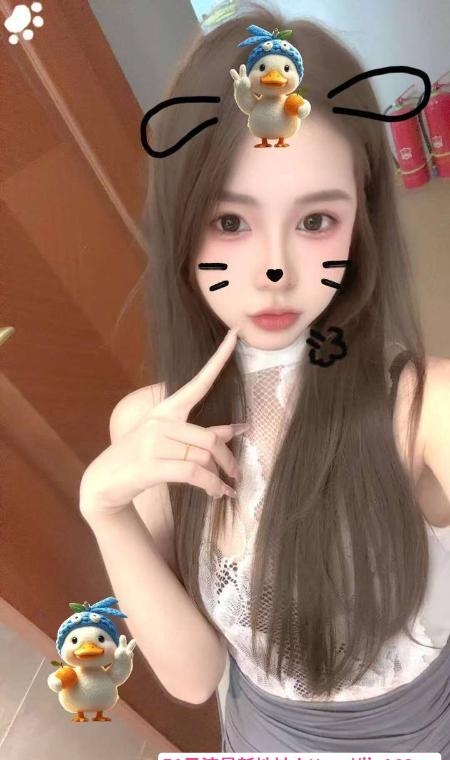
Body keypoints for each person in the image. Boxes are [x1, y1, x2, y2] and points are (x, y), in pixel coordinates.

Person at [80, 2, 450, 753]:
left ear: (361, 222)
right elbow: (194, 678)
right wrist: (104, 508)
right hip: (260, 735)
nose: (274, 269)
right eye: (230, 222)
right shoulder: (150, 425)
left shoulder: (423, 407)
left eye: (315, 222)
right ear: (182, 226)